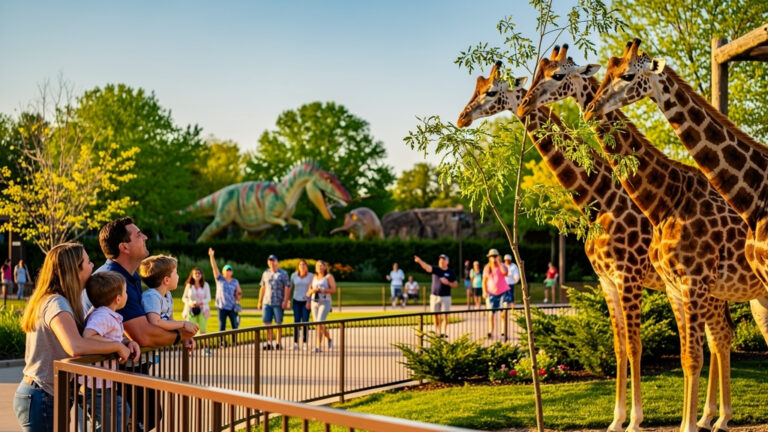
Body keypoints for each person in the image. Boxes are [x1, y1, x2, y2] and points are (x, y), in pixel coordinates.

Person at [14, 243, 137, 432]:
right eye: (88, 262)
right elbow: (75, 346)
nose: (92, 265)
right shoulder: (56, 302)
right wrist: (117, 346)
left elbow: (90, 337)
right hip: (42, 394)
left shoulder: (67, 300)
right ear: (75, 270)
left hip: (48, 394)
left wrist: (124, 342)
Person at [93, 217, 196, 432]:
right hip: (111, 374)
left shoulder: (129, 277)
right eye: (139, 235)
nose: (146, 237)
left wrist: (179, 335)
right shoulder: (113, 280)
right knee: (138, 419)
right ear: (124, 247)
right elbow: (143, 335)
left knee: (149, 416)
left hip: (127, 365)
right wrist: (181, 336)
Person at [81, 271, 141, 432]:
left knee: (121, 411)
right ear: (118, 299)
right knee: (109, 420)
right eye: (125, 291)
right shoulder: (103, 316)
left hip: (104, 381)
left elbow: (108, 336)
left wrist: (126, 342)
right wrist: (117, 346)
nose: (127, 295)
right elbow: (88, 335)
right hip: (96, 384)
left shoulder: (107, 315)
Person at [139, 255, 198, 335]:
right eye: (176, 273)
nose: (178, 276)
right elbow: (155, 322)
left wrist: (184, 334)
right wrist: (183, 323)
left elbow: (171, 321)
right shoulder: (152, 296)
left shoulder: (168, 295)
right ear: (166, 280)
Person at [414, 254, 457, 337]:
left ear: (447, 262)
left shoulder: (450, 272)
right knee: (435, 315)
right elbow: (427, 267)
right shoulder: (436, 269)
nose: (441, 261)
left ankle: (444, 333)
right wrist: (420, 261)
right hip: (434, 296)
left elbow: (455, 284)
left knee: (445, 315)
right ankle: (437, 332)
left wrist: (448, 283)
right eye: (440, 259)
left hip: (446, 296)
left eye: (443, 260)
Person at [258, 254, 290, 350]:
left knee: (278, 323)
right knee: (267, 323)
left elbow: (287, 287)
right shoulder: (265, 273)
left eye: (273, 260)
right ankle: (269, 343)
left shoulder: (283, 273)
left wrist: (285, 300)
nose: (271, 262)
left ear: (277, 262)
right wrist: (259, 301)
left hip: (278, 302)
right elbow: (262, 287)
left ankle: (278, 343)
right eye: (270, 261)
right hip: (267, 302)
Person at [208, 248, 242, 333]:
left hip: (232, 306)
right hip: (222, 307)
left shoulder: (235, 281)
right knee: (222, 326)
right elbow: (214, 268)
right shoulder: (220, 279)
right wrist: (211, 256)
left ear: (232, 272)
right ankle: (222, 340)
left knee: (235, 326)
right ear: (223, 272)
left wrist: (238, 295)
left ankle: (234, 340)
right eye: (227, 270)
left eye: (230, 270)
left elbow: (239, 292)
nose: (228, 272)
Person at [307, 260, 336, 352]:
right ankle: (329, 339)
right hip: (314, 302)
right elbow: (309, 291)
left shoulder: (328, 277)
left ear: (325, 267)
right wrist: (313, 291)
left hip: (325, 302)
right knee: (318, 324)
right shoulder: (313, 277)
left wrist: (322, 290)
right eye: (317, 265)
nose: (319, 267)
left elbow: (333, 290)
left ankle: (318, 347)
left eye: (321, 265)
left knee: (319, 322)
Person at [482, 249, 510, 339]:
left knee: (503, 313)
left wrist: (499, 263)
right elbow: (484, 281)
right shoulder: (487, 267)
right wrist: (484, 291)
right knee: (491, 314)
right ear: (489, 258)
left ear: (498, 256)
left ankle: (503, 331)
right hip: (491, 293)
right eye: (491, 256)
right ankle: (490, 331)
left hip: (503, 292)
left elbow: (505, 273)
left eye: (495, 256)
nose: (493, 258)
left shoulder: (502, 266)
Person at [181, 267, 211, 340]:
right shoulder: (189, 285)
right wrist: (190, 303)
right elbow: (184, 298)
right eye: (195, 273)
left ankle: (204, 346)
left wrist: (201, 302)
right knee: (190, 330)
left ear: (201, 275)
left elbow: (208, 298)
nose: (197, 274)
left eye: (199, 273)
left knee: (203, 329)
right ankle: (190, 345)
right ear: (192, 275)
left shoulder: (206, 285)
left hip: (202, 310)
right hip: (191, 310)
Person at [290, 259, 313, 350]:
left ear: (306, 266)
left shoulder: (311, 276)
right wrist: (287, 300)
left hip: (306, 301)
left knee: (305, 321)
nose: (302, 266)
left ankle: (305, 343)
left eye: (304, 264)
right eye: (300, 264)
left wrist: (309, 301)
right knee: (296, 321)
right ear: (298, 266)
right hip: (296, 301)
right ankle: (295, 343)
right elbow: (290, 288)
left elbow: (311, 289)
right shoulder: (294, 275)